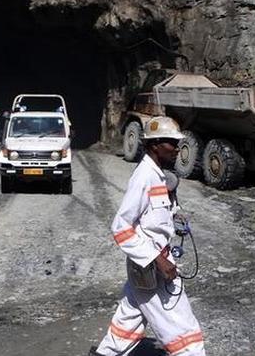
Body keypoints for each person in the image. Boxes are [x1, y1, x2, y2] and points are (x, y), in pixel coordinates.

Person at [90, 117, 205, 356]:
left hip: (148, 267)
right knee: (183, 329)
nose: (176, 149)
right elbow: (121, 227)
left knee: (130, 318)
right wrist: (158, 259)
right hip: (152, 266)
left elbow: (153, 215)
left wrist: (174, 215)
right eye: (171, 143)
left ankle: (105, 353)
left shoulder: (158, 175)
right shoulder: (144, 176)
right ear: (154, 145)